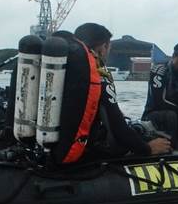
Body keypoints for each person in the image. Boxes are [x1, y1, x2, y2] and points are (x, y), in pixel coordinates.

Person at [73, 23, 172, 160]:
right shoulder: (98, 75)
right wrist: (147, 148)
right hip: (86, 152)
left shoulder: (70, 70)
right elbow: (116, 125)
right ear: (103, 47)